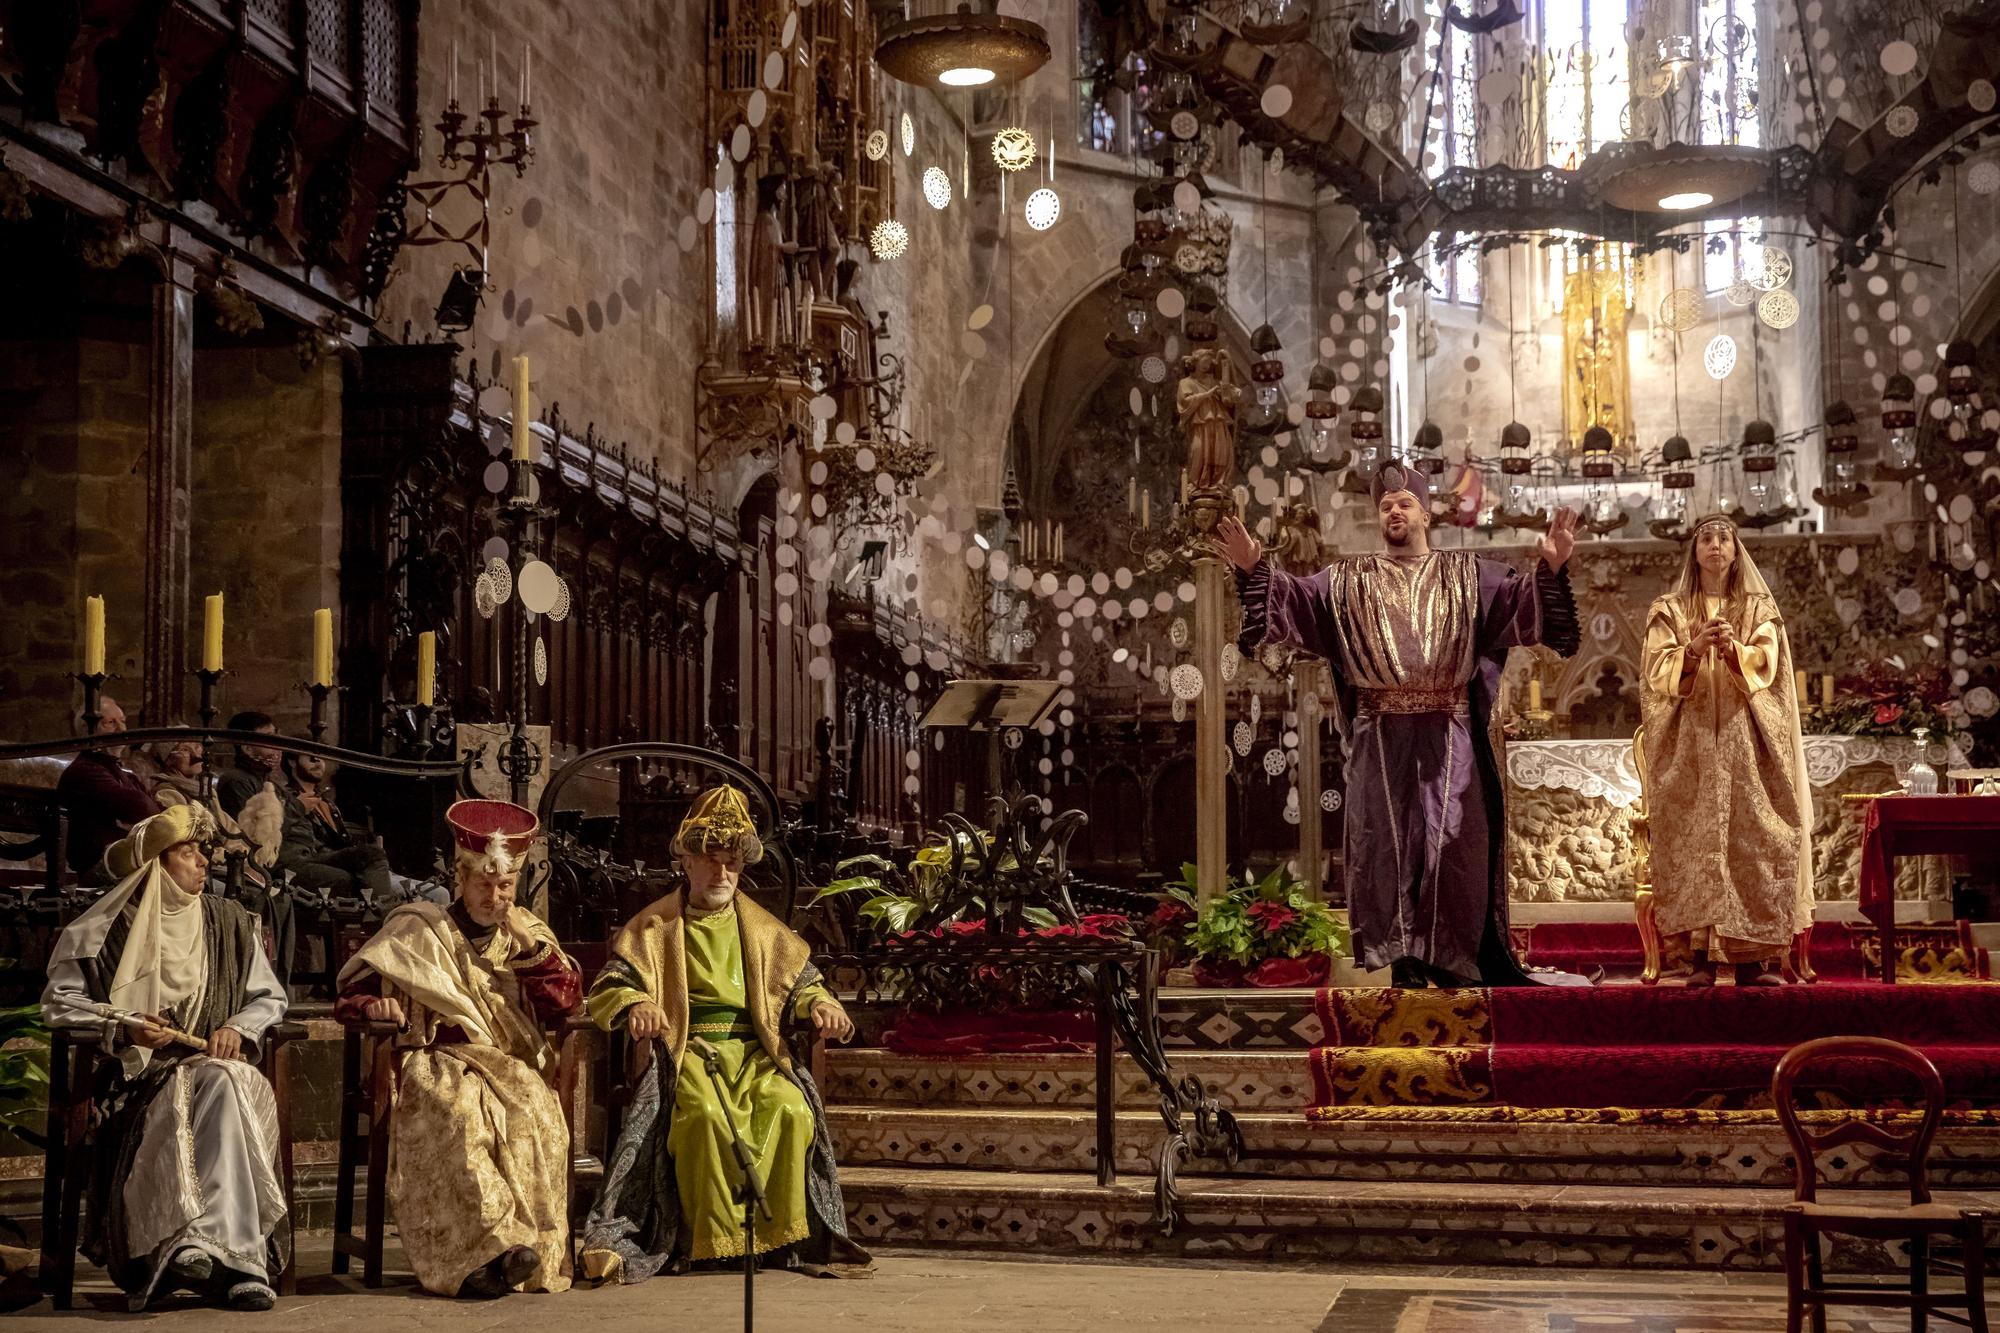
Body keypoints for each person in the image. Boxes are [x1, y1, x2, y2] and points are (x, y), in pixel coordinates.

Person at [1216, 463, 1582, 987]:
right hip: (1380, 732)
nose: (1394, 511)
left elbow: (1518, 604)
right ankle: (1405, 958)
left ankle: (1453, 956)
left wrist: (1551, 569)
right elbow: (1297, 600)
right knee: (1385, 846)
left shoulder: (1467, 574)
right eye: (1386, 506)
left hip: (1449, 730)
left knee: (1451, 844)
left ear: (1425, 512)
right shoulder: (1348, 581)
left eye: (1404, 504)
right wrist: (1255, 571)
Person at [580, 785, 870, 1281]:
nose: (722, 874)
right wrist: (638, 1002)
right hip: (687, 1050)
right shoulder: (652, 927)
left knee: (791, 1109)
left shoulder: (764, 930)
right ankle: (708, 1244)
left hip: (757, 1052)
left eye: (731, 864)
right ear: (686, 863)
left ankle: (778, 1241)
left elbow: (802, 985)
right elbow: (612, 985)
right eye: (711, 861)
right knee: (704, 1117)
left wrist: (822, 1004)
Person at [40, 804, 290, 1310]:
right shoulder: (104, 930)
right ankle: (241, 1260)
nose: (204, 862)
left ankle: (202, 1246)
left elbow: (270, 997)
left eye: (204, 851)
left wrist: (237, 1027)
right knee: (221, 1083)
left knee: (223, 1077)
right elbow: (59, 1003)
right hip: (136, 1085)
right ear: (156, 863)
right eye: (188, 851)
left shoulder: (230, 922)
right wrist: (122, 1023)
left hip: (219, 1071)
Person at [333, 799, 579, 1299]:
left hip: (508, 1063)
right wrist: (372, 1008)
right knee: (461, 1116)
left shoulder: (528, 935)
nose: (495, 896)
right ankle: (482, 1255)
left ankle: (515, 1254)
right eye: (484, 884)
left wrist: (530, 952)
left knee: (536, 1114)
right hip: (432, 1059)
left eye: (505, 886)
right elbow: (349, 997)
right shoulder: (419, 929)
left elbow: (566, 1003)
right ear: (462, 880)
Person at [1639, 514, 1814, 986]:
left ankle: (1751, 960)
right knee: (1693, 842)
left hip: (1745, 744)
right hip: (1691, 747)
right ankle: (1698, 958)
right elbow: (1656, 672)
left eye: (1724, 538)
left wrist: (1736, 649)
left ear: (1737, 550)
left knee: (1752, 839)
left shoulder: (1759, 608)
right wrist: (1692, 650)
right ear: (1694, 552)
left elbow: (1768, 664)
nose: (1715, 545)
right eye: (1706, 539)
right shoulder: (1670, 609)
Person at [54, 694, 162, 880]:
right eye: (110, 723)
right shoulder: (85, 771)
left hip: (129, 859)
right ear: (88, 730)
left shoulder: (123, 774)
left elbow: (155, 812)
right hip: (103, 865)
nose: (121, 729)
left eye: (123, 721)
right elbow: (144, 807)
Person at [279, 751, 393, 904]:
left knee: (375, 857)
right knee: (367, 860)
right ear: (292, 762)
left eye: (321, 757)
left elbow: (340, 843)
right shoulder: (286, 797)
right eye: (311, 757)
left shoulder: (327, 804)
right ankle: (382, 918)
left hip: (329, 857)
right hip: (304, 860)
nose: (318, 762)